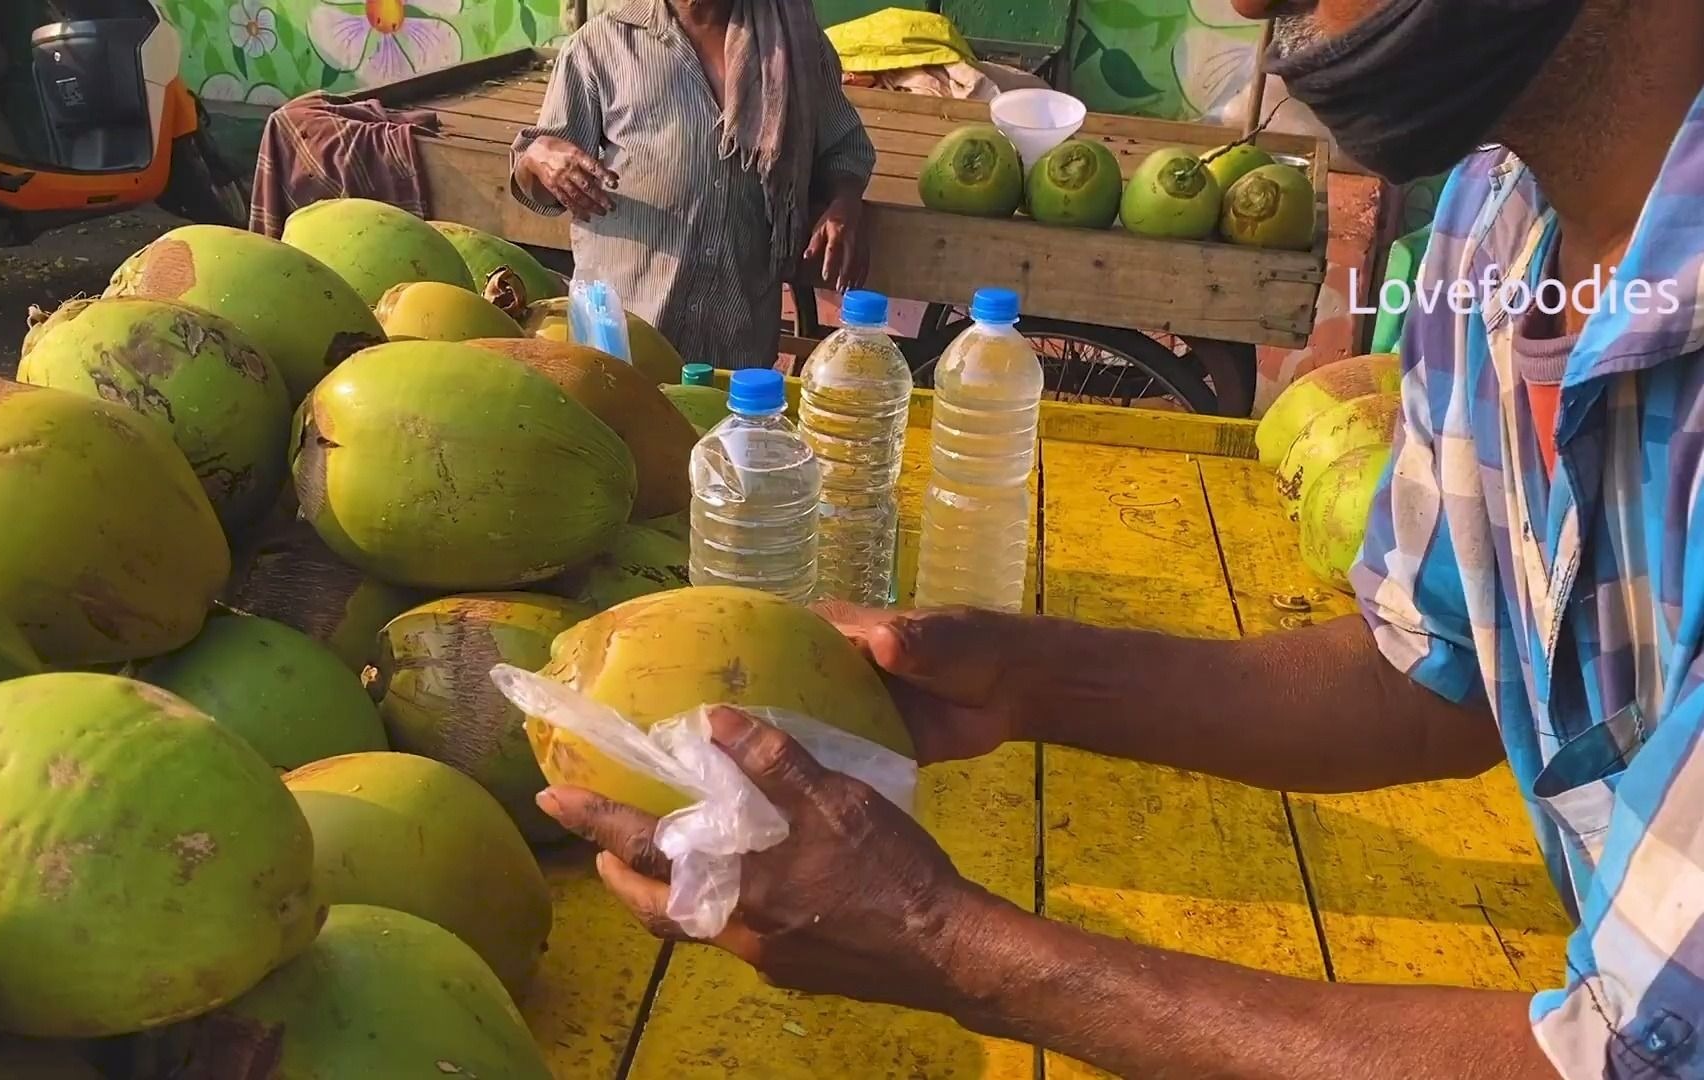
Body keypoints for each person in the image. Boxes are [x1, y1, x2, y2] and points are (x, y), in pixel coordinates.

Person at [539, 0, 1704, 1076]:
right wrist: (1028, 677)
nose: (1248, 5)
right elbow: (1438, 674)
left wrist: (945, 945)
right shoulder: (1500, 227)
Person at [509, 0, 875, 370]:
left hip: (736, 349)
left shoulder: (796, 43)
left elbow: (843, 147)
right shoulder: (602, 45)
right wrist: (537, 158)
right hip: (620, 348)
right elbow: (538, 181)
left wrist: (844, 202)